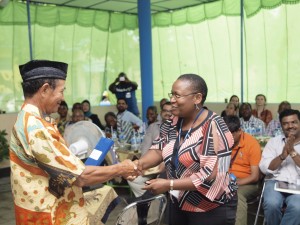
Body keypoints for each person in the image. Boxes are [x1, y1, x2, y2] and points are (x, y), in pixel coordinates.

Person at [9, 60, 138, 225]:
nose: (62, 98)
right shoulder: (36, 128)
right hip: (48, 214)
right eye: (61, 91)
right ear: (45, 89)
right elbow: (81, 177)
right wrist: (121, 168)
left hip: (39, 206)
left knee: (105, 192)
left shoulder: (28, 118)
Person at [134, 74, 237, 225]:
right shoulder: (172, 123)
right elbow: (158, 149)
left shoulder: (214, 127)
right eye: (172, 94)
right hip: (179, 201)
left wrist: (168, 184)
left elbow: (208, 176)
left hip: (210, 207)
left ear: (197, 98)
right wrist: (138, 165)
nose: (172, 100)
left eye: (177, 95)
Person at [259, 109, 300, 225]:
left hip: (298, 184)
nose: (290, 126)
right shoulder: (274, 142)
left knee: (298, 207)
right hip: (275, 182)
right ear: (281, 125)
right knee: (271, 204)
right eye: (286, 123)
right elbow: (264, 167)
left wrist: (292, 151)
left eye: (294, 122)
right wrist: (282, 156)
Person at [223, 115, 262, 225]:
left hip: (247, 182)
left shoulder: (252, 144)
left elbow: (255, 177)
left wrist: (234, 183)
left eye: (230, 135)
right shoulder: (221, 142)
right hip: (224, 178)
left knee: (236, 194)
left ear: (239, 131)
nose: (226, 139)